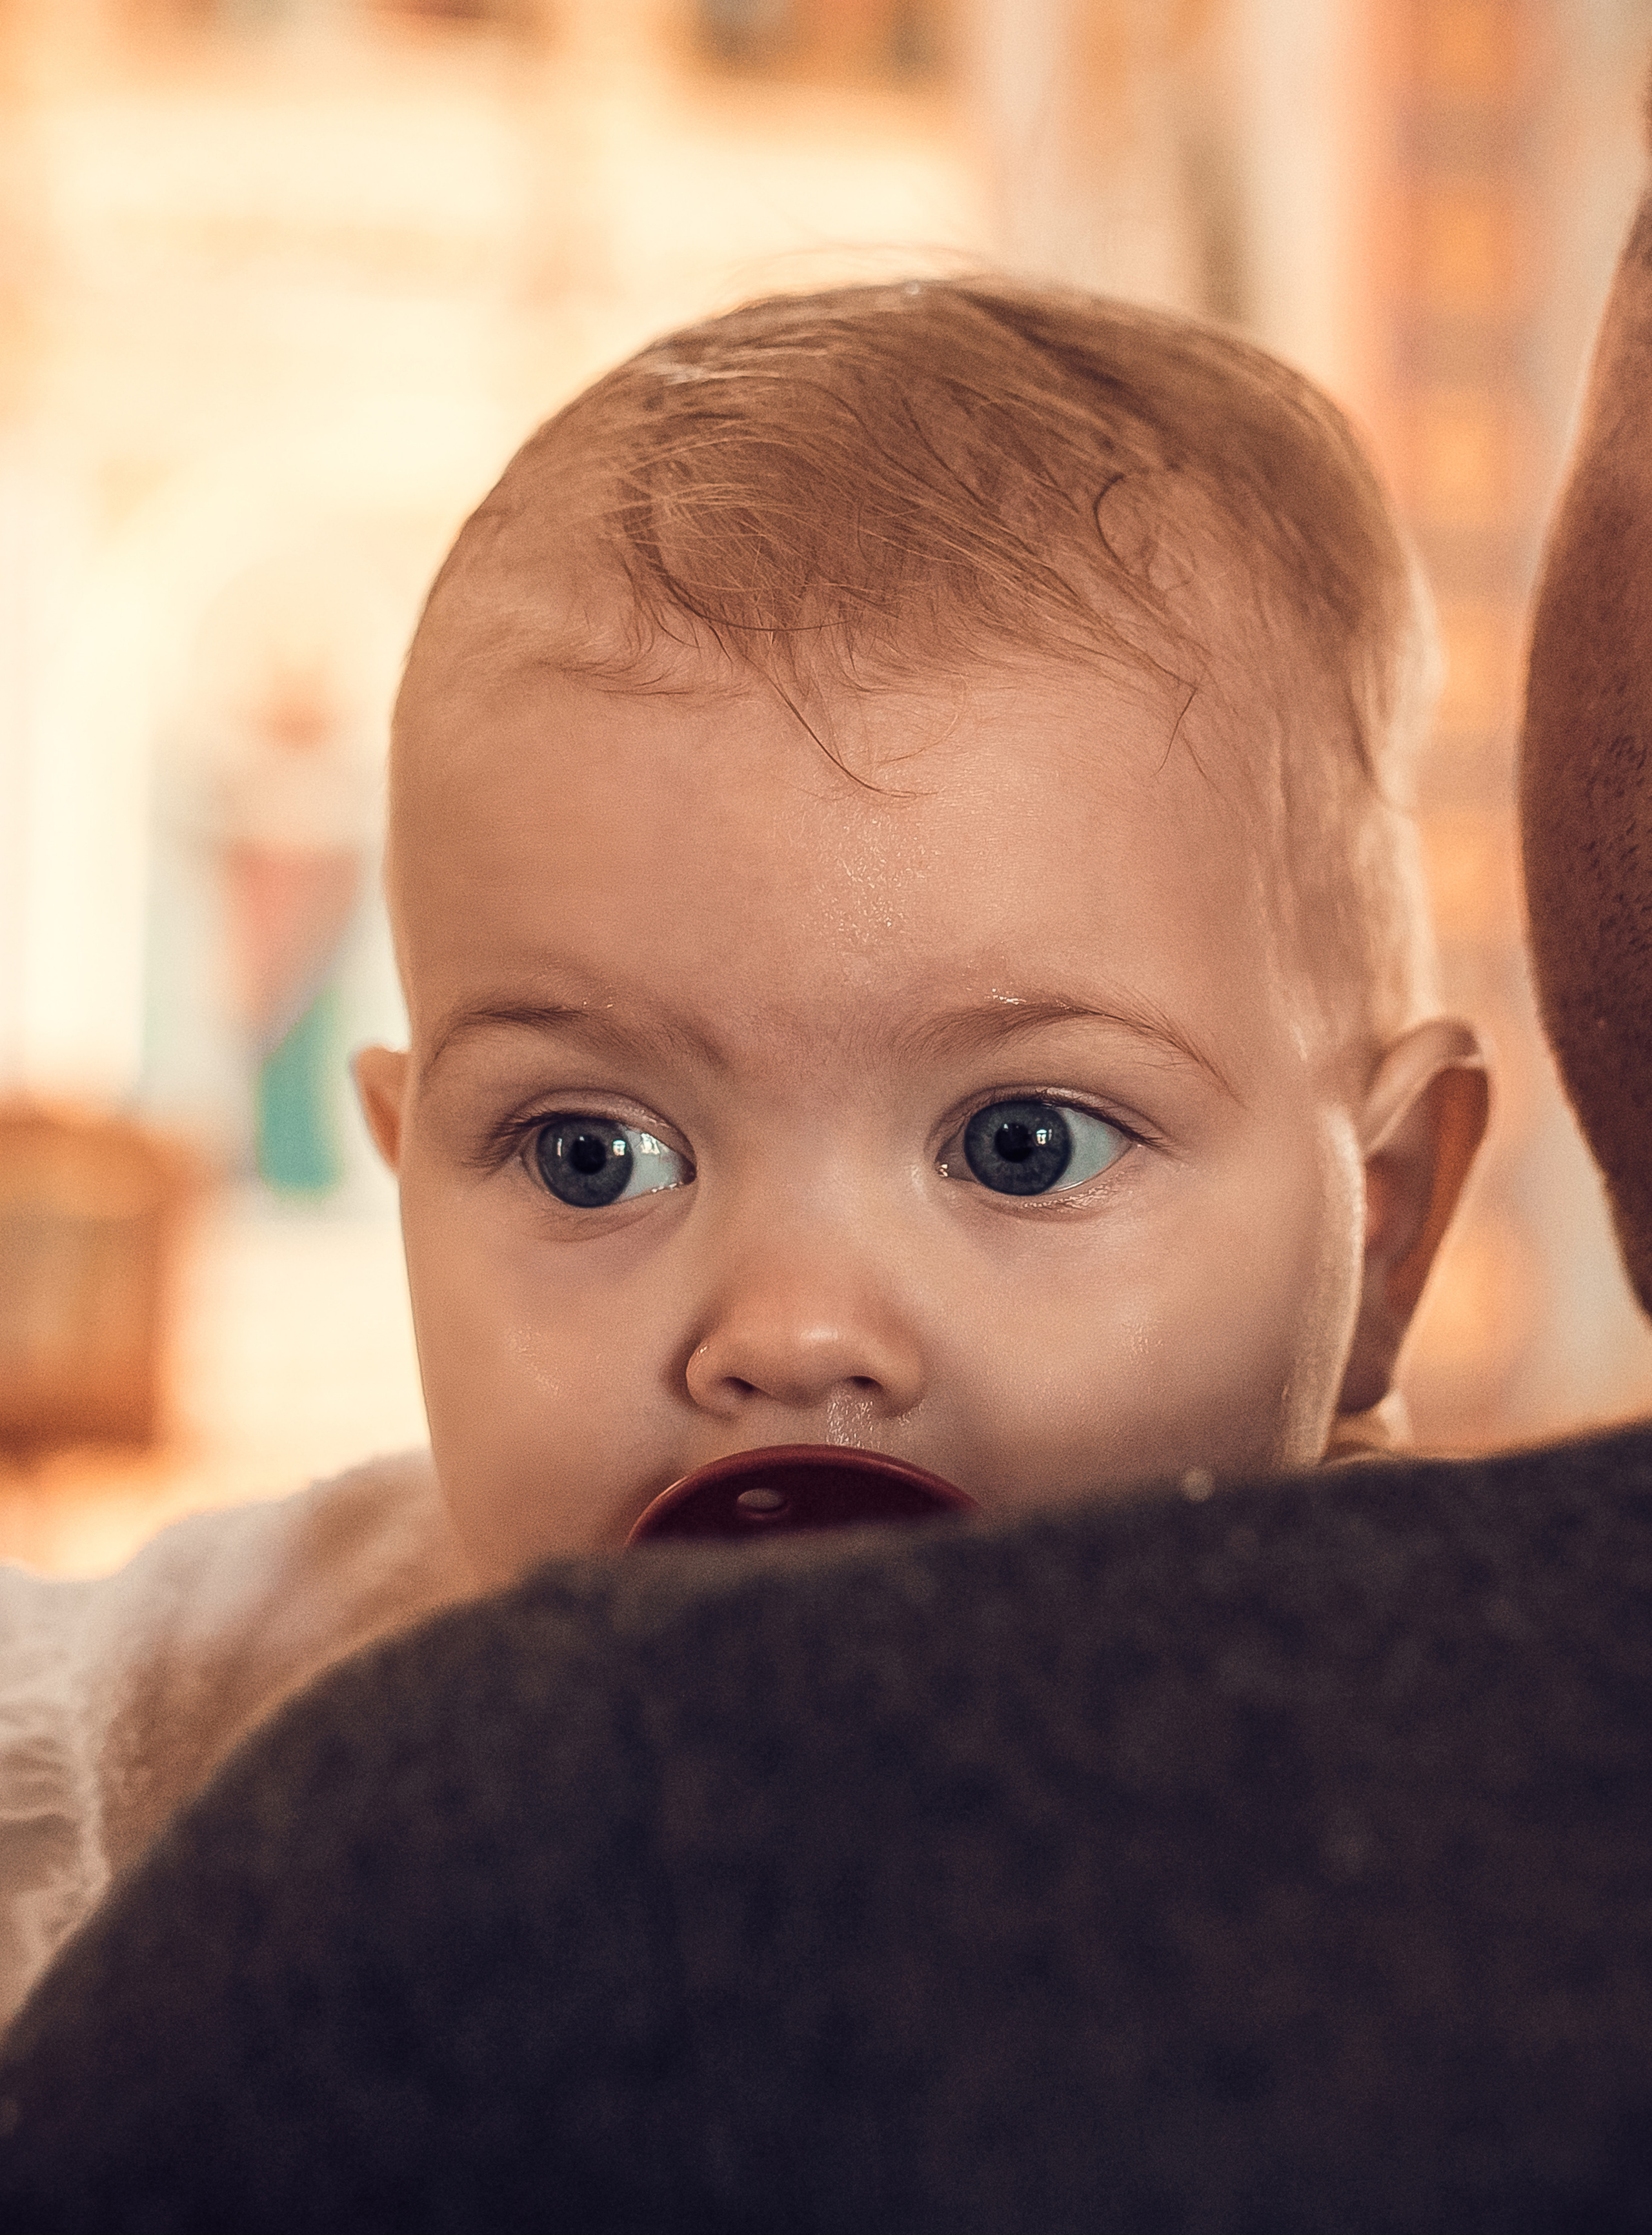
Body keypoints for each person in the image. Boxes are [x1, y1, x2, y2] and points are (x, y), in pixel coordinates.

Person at [0, 278, 1487, 2028]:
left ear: (1381, 1225)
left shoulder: (1468, 1770)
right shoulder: (242, 1683)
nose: (786, 1329)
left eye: (1021, 1145)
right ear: (404, 1174)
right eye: (590, 1157)